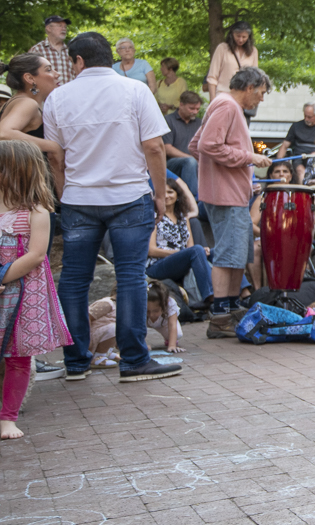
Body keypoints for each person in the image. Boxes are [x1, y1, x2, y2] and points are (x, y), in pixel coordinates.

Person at [42, 32, 181, 383]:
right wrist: (160, 194)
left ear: (78, 60)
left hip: (78, 199)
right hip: (128, 196)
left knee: (74, 280)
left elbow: (55, 156)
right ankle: (133, 360)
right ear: (111, 57)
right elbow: (154, 147)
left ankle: (76, 361)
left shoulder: (57, 97)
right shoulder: (136, 90)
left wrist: (65, 194)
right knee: (130, 276)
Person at [189, 66, 273, 337]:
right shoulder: (227, 106)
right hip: (227, 197)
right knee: (227, 255)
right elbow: (207, 145)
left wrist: (229, 174)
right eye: (261, 93)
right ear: (249, 87)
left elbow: (196, 144)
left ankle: (233, 307)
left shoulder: (223, 104)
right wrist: (249, 158)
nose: (261, 99)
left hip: (231, 193)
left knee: (238, 254)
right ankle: (220, 316)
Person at [0, 140, 73, 439]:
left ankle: (7, 418)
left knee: (18, 357)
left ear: (12, 171)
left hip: (21, 293)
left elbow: (36, 255)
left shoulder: (36, 211)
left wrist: (2, 276)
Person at [147, 178, 214, 304]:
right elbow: (151, 250)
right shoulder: (154, 216)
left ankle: (240, 294)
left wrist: (201, 251)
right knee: (196, 250)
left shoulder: (183, 216)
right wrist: (179, 253)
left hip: (180, 261)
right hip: (157, 265)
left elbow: (190, 247)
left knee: (216, 252)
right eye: (163, 192)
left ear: (177, 195)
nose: (166, 196)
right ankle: (211, 297)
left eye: (170, 192)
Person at [0, 54, 66, 179]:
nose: (57, 74)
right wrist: (54, 147)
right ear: (30, 78)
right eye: (48, 70)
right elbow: (3, 133)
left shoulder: (19, 101)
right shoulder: (28, 103)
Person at [249, 161, 297, 290]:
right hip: (266, 237)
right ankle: (259, 291)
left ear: (291, 176)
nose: (281, 174)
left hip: (293, 238)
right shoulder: (263, 197)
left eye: (285, 171)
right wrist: (266, 236)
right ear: (270, 175)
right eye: (277, 172)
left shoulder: (299, 195)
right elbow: (251, 223)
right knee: (254, 249)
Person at [161, 90, 204, 198]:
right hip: (171, 164)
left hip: (195, 163)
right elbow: (167, 148)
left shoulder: (199, 123)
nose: (195, 112)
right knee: (190, 162)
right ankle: (193, 199)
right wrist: (191, 158)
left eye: (197, 109)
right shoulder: (168, 120)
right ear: (181, 105)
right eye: (191, 108)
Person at [204, 21, 258, 100]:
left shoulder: (253, 51)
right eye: (238, 36)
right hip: (223, 96)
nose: (240, 39)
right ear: (232, 34)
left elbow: (254, 77)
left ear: (249, 37)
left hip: (243, 99)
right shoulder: (222, 48)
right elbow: (212, 77)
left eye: (244, 37)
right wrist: (212, 99)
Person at [29, 15, 73, 85]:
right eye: (59, 26)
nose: (63, 29)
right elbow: (30, 75)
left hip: (69, 91)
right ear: (49, 28)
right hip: (46, 92)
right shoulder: (37, 50)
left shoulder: (71, 50)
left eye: (65, 27)